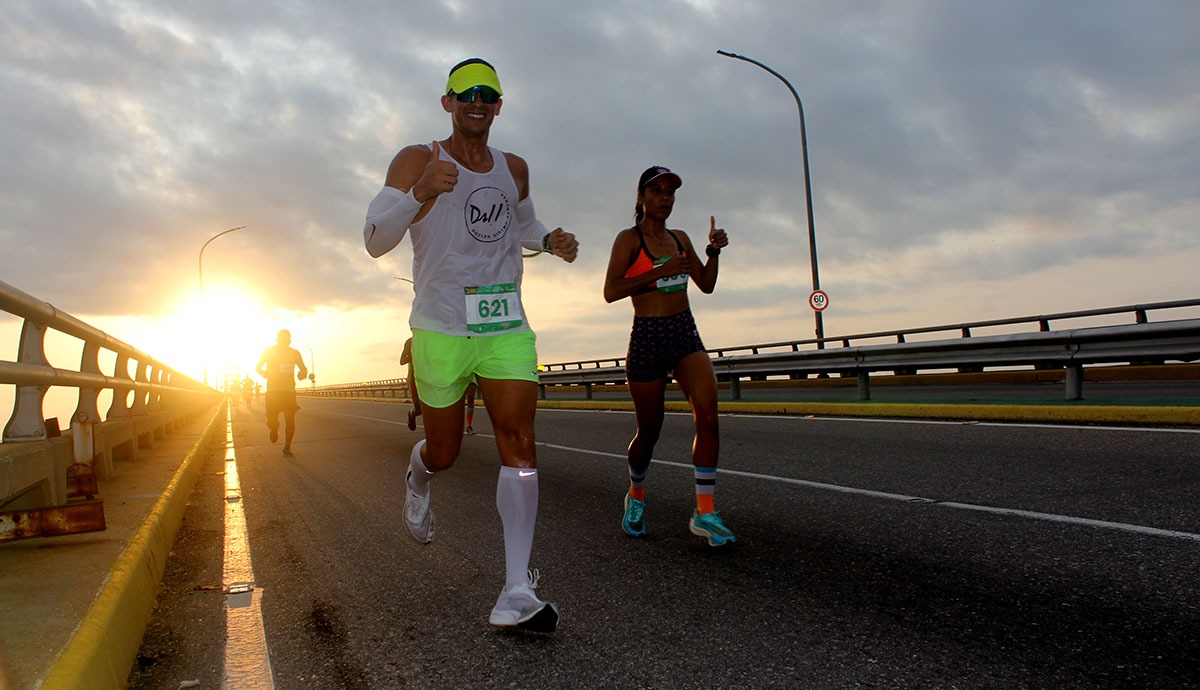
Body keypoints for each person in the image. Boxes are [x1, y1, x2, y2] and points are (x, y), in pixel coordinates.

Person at [363, 57, 578, 632]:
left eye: (488, 93)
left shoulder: (515, 168)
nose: (476, 102)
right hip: (440, 325)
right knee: (446, 450)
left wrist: (550, 240)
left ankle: (515, 590)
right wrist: (417, 192)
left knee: (519, 439)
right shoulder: (418, 159)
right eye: (465, 93)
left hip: (503, 321)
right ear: (447, 103)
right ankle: (418, 475)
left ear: (499, 106)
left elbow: (522, 226)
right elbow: (373, 240)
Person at [602, 165, 735, 547]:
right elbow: (611, 291)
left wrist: (712, 252)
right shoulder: (629, 240)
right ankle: (636, 495)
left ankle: (705, 513)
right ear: (641, 197)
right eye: (656, 191)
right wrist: (657, 272)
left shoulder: (680, 239)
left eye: (670, 192)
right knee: (650, 431)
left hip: (683, 332)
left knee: (708, 416)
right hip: (647, 336)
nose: (664, 198)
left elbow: (705, 285)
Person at [255, 329, 308, 458]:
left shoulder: (295, 353)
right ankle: (274, 428)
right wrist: (265, 373)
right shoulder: (268, 351)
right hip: (273, 392)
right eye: (282, 338)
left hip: (289, 391)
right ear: (277, 339)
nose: (284, 341)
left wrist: (302, 374)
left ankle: (287, 447)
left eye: (287, 338)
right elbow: (258, 367)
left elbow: (303, 368)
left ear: (290, 340)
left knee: (290, 420)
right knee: (272, 420)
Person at [400, 336, 422, 431]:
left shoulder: (431, 339)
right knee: (419, 410)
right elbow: (402, 361)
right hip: (413, 379)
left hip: (430, 379)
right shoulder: (410, 342)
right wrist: (414, 355)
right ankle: (411, 413)